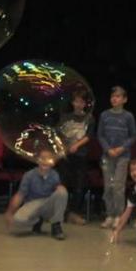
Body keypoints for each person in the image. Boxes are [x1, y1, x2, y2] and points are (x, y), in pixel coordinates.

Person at [97, 86, 136, 229]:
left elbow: (133, 136)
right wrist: (108, 149)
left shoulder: (128, 116)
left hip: (123, 156)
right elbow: (100, 135)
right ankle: (110, 215)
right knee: (108, 186)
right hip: (107, 155)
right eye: (113, 96)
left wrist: (121, 148)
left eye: (118, 96)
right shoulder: (104, 115)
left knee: (118, 187)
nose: (114, 99)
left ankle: (119, 216)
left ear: (124, 99)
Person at [4, 149, 68, 240]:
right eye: (42, 158)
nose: (45, 161)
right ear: (37, 161)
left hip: (47, 203)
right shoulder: (29, 175)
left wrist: (60, 188)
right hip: (32, 204)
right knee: (17, 221)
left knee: (62, 192)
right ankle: (37, 221)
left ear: (52, 163)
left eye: (48, 159)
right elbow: (20, 195)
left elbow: (58, 192)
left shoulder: (55, 175)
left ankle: (56, 225)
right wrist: (9, 212)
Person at [57, 90, 95, 225]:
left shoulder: (89, 118)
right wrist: (65, 146)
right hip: (66, 156)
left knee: (79, 186)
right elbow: (59, 134)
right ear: (72, 103)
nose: (78, 104)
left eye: (81, 102)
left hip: (80, 155)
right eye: (76, 101)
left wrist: (76, 145)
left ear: (85, 104)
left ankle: (74, 213)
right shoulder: (65, 117)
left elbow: (89, 136)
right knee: (63, 184)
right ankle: (61, 212)